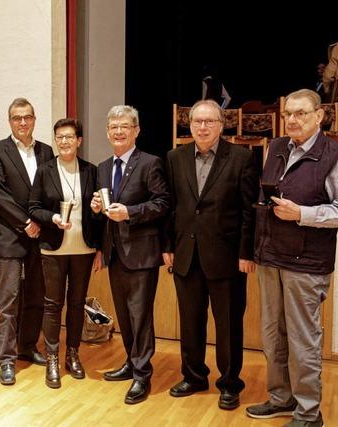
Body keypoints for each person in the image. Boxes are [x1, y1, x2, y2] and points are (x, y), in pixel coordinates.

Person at [247, 89, 338, 427]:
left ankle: (309, 413)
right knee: (272, 334)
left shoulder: (335, 154)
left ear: (319, 116)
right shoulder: (278, 147)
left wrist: (303, 213)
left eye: (301, 113)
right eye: (288, 114)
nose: (293, 120)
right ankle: (281, 398)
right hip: (271, 257)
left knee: (303, 340)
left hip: (306, 264)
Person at [162, 100, 258, 410]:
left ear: (221, 124)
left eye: (209, 121)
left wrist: (246, 252)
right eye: (197, 122)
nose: (202, 127)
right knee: (190, 321)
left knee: (228, 324)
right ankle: (194, 376)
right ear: (189, 125)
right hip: (186, 254)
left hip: (227, 257)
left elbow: (249, 210)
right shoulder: (175, 157)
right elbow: (171, 207)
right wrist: (168, 246)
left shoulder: (242, 158)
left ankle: (230, 383)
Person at [90, 105, 169, 404]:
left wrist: (130, 213)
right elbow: (106, 209)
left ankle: (142, 374)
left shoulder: (150, 163)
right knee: (124, 314)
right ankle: (130, 361)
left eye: (125, 126)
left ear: (136, 130)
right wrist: (97, 209)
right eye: (113, 127)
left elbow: (162, 203)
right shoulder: (103, 167)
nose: (119, 131)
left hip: (141, 254)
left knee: (140, 316)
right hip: (115, 253)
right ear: (108, 132)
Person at [28, 118, 102, 389]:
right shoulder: (45, 171)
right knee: (52, 304)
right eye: (59, 137)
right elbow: (34, 208)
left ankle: (73, 354)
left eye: (69, 136)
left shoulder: (91, 171)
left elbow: (99, 212)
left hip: (83, 248)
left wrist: (100, 247)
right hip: (54, 248)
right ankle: (51, 359)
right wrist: (54, 218)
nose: (64, 141)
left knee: (76, 302)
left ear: (79, 140)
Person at [0, 97, 54, 385]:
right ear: (9, 121)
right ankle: (7, 359)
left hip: (41, 236)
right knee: (9, 299)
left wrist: (42, 222)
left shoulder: (46, 151)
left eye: (27, 117)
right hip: (12, 235)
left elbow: (51, 190)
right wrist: (26, 223)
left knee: (37, 295)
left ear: (34, 119)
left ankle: (28, 347)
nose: (22, 122)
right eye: (16, 118)